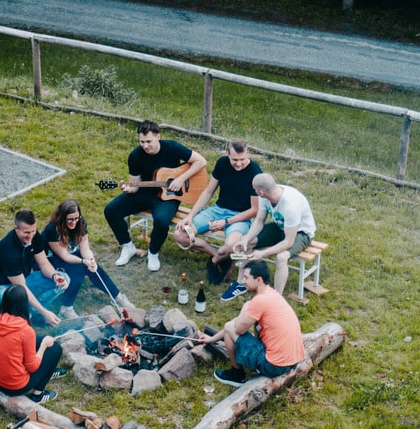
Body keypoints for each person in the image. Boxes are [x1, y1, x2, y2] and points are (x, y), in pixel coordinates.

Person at [105, 120, 207, 273]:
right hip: (143, 194)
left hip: (168, 197)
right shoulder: (135, 156)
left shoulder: (172, 147)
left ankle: (153, 253)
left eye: (149, 141)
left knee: (161, 220)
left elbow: (201, 161)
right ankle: (127, 247)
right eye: (142, 142)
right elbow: (134, 185)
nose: (145, 146)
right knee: (110, 210)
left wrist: (180, 179)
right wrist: (128, 189)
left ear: (158, 136)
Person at [198, 259, 305, 387]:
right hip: (293, 360)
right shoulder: (272, 294)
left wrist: (246, 306)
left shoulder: (259, 301)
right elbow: (237, 323)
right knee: (232, 326)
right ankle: (247, 365)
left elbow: (236, 329)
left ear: (258, 280)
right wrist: (212, 339)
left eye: (246, 277)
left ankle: (236, 374)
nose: (243, 281)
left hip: (275, 366)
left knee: (230, 327)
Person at [172, 140, 262, 284]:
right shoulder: (222, 163)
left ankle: (214, 262)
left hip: (240, 217)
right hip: (217, 210)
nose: (238, 164)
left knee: (233, 245)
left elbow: (254, 210)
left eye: (242, 159)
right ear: (228, 155)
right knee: (180, 235)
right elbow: (208, 192)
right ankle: (221, 256)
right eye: (234, 160)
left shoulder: (255, 172)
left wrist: (225, 222)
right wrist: (190, 215)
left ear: (247, 154)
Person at [221, 173, 316, 301]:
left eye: (255, 190)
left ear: (260, 191)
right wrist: (245, 239)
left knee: (281, 257)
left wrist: (262, 253)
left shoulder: (290, 205)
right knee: (247, 243)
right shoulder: (265, 195)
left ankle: (276, 298)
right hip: (280, 226)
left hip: (301, 232)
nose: (254, 192)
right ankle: (241, 283)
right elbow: (259, 220)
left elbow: (288, 241)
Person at [42, 199, 136, 319]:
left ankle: (118, 297)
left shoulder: (80, 223)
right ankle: (66, 308)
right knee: (79, 268)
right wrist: (82, 261)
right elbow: (64, 256)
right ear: (62, 218)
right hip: (50, 260)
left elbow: (85, 249)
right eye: (70, 220)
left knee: (91, 267)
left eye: (76, 218)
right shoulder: (52, 229)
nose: (73, 223)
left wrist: (91, 260)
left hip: (70, 254)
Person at [0, 209, 67, 327]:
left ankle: (36, 313)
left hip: (23, 279)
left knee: (64, 278)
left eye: (33, 231)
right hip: (1, 288)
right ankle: (36, 315)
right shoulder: (8, 250)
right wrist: (45, 312)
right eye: (26, 232)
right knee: (20, 298)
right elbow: (21, 288)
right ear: (16, 228)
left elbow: (44, 264)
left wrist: (55, 276)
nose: (30, 236)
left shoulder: (35, 237)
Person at [0, 285, 64, 404]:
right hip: (14, 386)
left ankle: (48, 371)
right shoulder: (25, 330)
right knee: (55, 349)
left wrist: (42, 341)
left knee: (41, 338)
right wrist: (43, 346)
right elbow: (32, 366)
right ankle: (38, 395)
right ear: (24, 304)